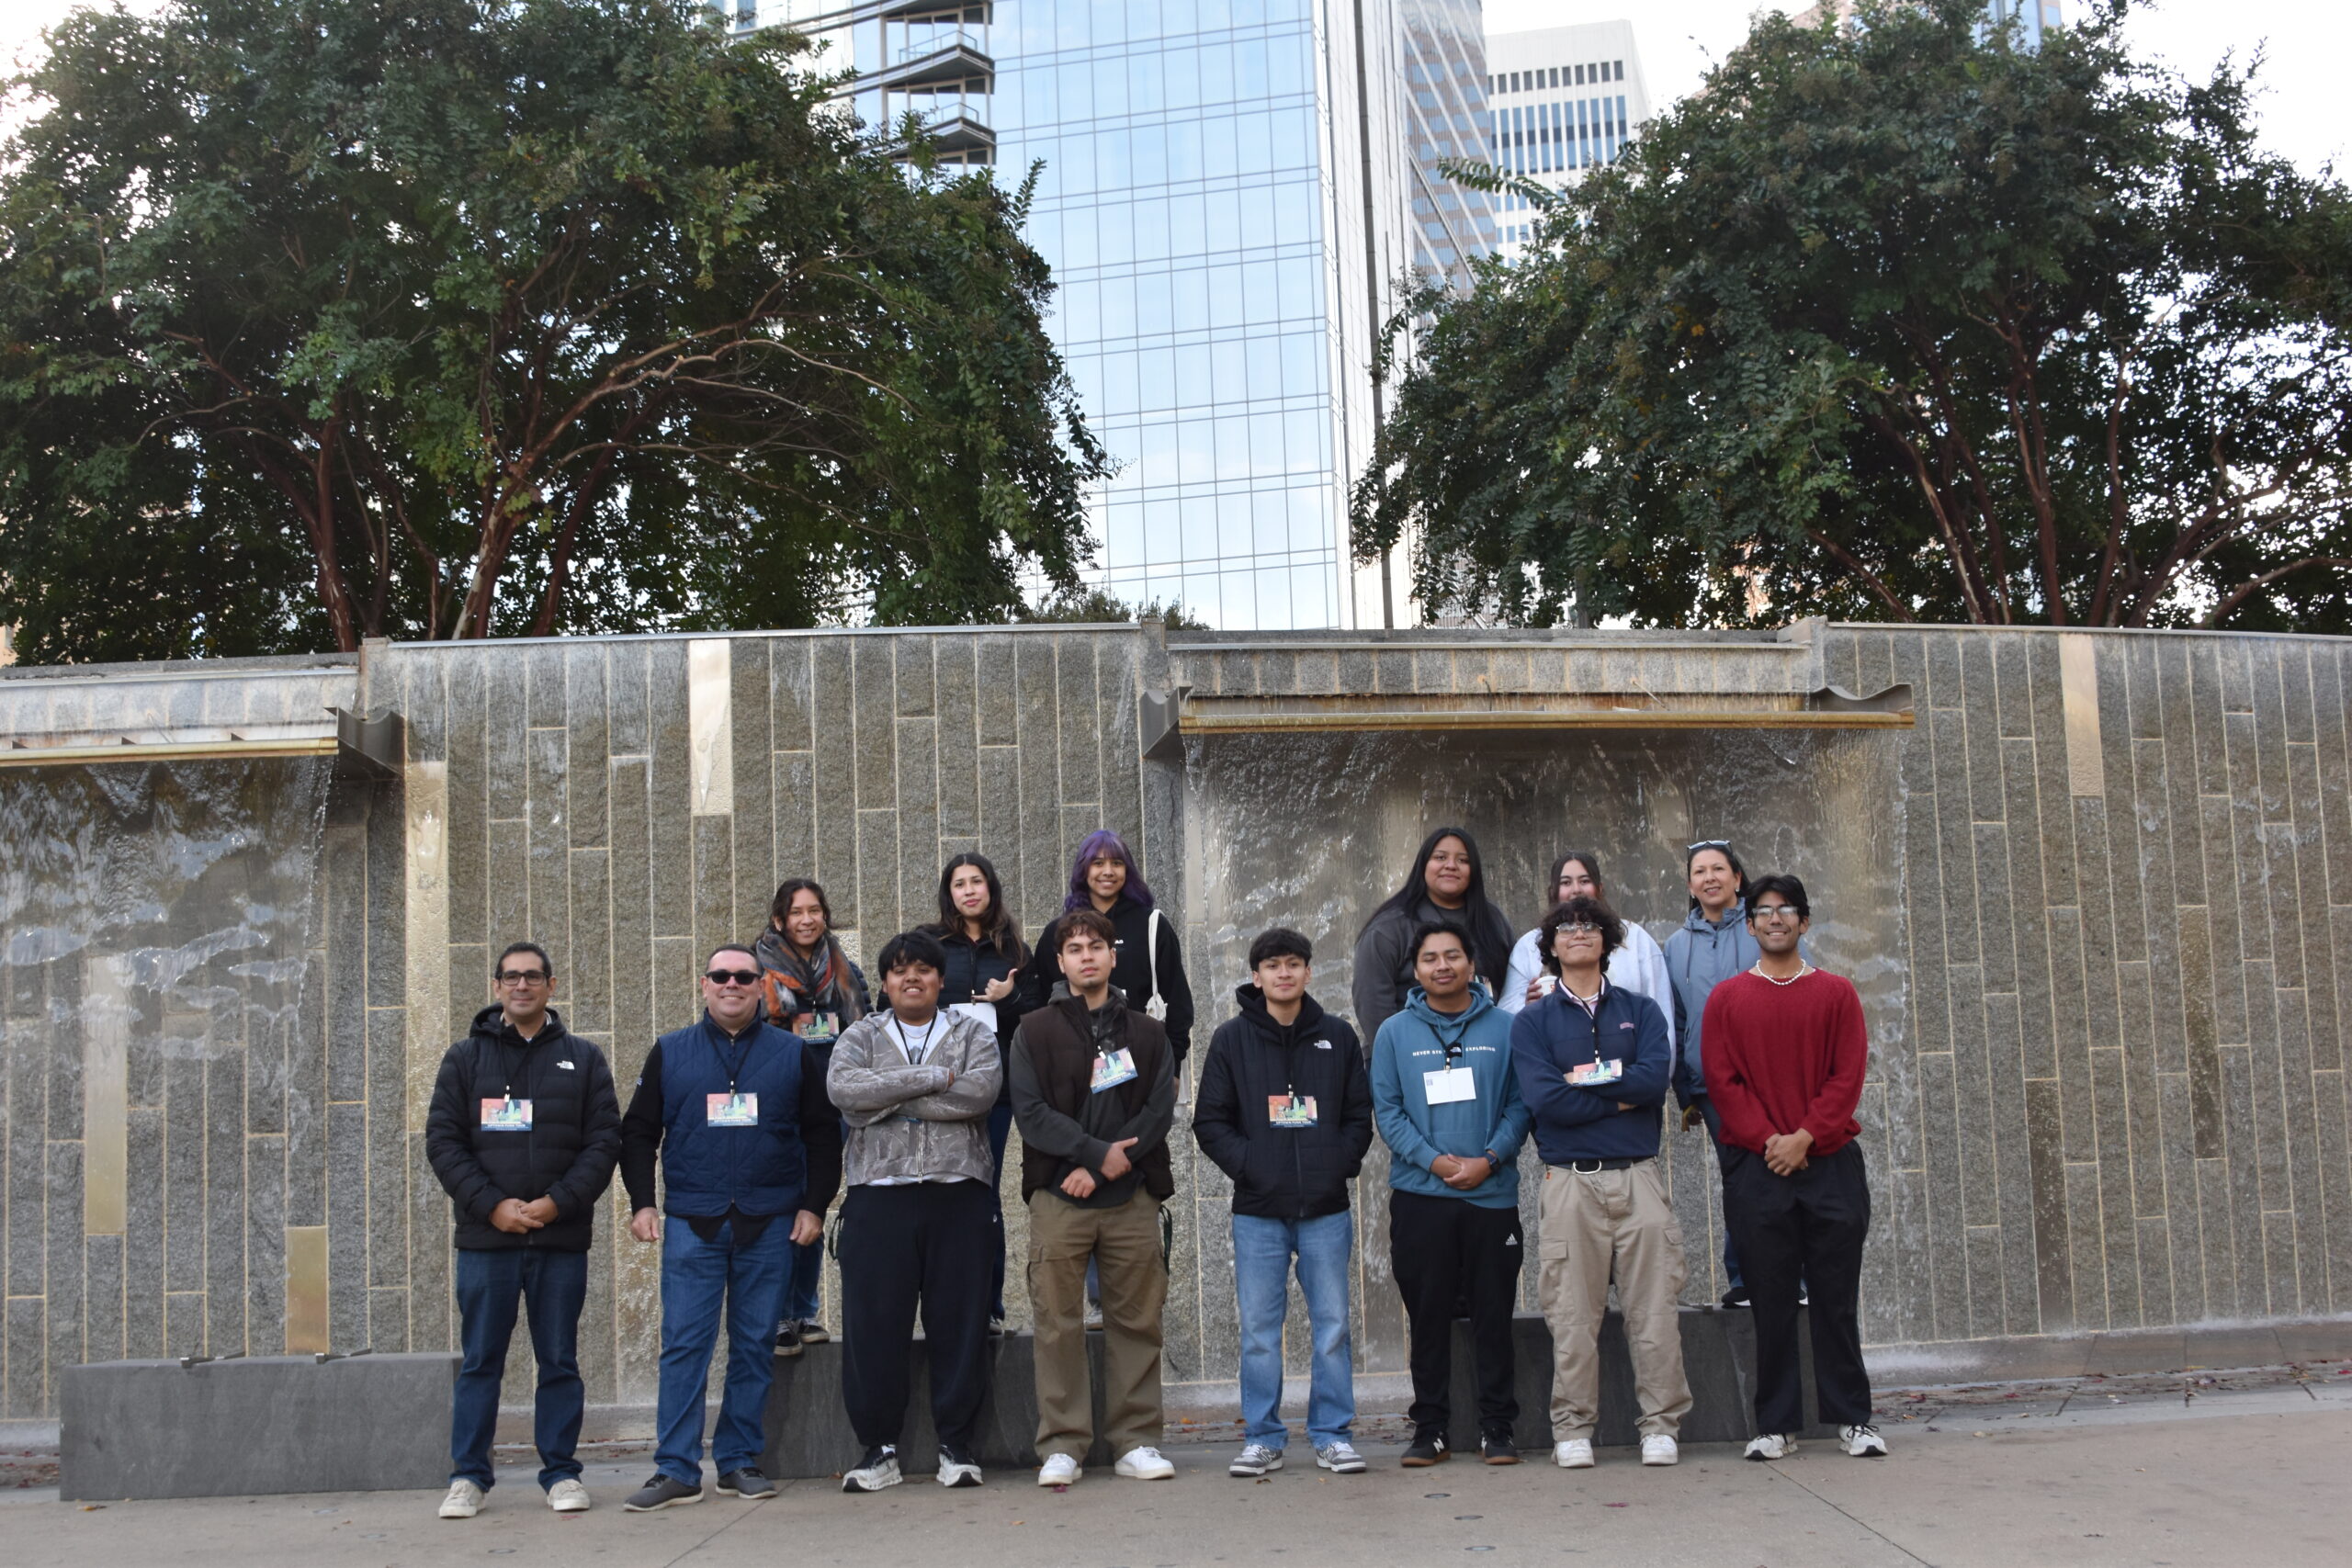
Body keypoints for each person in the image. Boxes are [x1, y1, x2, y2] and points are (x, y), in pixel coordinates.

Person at [617, 945, 842, 1511]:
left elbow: (822, 1135)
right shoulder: (671, 1051)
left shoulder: (793, 1054)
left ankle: (738, 1459)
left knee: (754, 1345)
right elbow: (638, 1132)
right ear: (705, 985)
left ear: (760, 986)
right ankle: (675, 1469)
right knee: (684, 1345)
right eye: (721, 975)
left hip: (770, 1223)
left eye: (744, 976)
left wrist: (814, 1207)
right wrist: (642, 1203)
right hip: (693, 1221)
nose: (732, 984)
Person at [424, 942, 621, 1519]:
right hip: (488, 1241)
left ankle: (561, 1474)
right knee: (481, 1361)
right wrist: (493, 1206)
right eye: (511, 977)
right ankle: (468, 1477)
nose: (521, 986)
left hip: (559, 1241)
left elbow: (603, 1142)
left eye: (533, 977)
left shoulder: (583, 1059)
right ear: (497, 987)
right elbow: (443, 1142)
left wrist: (558, 1204)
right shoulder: (465, 1058)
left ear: (551, 986)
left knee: (558, 1360)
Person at [1702, 874, 1885, 1462]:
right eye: (1763, 911)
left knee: (1836, 1298)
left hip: (1828, 1164)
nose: (1775, 918)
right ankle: (1775, 1425)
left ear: (1804, 922)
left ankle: (1853, 1418)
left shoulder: (1836, 993)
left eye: (1786, 910)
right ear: (1749, 925)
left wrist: (1804, 1137)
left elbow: (1846, 1076)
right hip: (1758, 1168)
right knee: (1771, 1301)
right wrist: (1770, 1141)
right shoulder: (1726, 999)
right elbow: (1722, 1082)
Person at [1508, 897, 1690, 1472]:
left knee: (1654, 1313)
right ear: (1551, 946)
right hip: (1569, 1183)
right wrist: (1618, 1099)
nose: (1579, 933)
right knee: (1571, 1315)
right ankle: (1572, 1428)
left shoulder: (1642, 1010)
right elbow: (1547, 1101)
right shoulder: (1532, 1022)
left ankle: (1660, 1426)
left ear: (1607, 941)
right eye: (1566, 927)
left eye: (1590, 926)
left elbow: (1653, 1081)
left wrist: (1585, 1089)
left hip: (1639, 1177)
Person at [826, 929, 1004, 1493]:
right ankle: (878, 1449)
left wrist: (886, 1098)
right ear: (884, 982)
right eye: (900, 970)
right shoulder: (859, 1035)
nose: (912, 978)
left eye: (923, 969)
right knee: (874, 1326)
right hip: (879, 1195)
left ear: (940, 979)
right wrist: (931, 1079)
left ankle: (957, 1445)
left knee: (961, 1322)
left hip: (959, 1194)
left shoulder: (973, 1033)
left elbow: (979, 1094)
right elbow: (844, 1092)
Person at [1193, 928, 1374, 1480]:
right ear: (1256, 977)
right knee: (1259, 1334)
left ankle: (1332, 1435)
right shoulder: (1231, 1040)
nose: (1284, 973)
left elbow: (1358, 1116)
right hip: (1258, 1213)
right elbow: (1210, 1122)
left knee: (1333, 1327)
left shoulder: (1337, 1037)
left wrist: (1335, 1164)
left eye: (1294, 963)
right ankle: (1262, 1438)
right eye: (1273, 966)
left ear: (1309, 972)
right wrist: (1254, 1167)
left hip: (1325, 1209)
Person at [1008, 908, 1180, 1486]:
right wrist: (1089, 1155)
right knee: (1058, 1323)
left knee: (1137, 1320)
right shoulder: (1033, 1030)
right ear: (1060, 962)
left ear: (1112, 956)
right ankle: (1063, 1444)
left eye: (1096, 947)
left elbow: (1158, 1110)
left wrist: (1105, 1167)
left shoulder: (1148, 1032)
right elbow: (1031, 1112)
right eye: (1075, 949)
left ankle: (1136, 1440)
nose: (1087, 957)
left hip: (1131, 1196)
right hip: (1059, 1197)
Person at [1368, 920, 1532, 1468]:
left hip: (1492, 1195)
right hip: (1421, 1197)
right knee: (1428, 1315)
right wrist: (1434, 1162)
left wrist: (1490, 1159)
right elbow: (1388, 1112)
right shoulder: (1393, 1033)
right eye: (1430, 958)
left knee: (1493, 1313)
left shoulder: (1506, 1028)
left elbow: (1520, 1105)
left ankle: (1498, 1427)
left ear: (1471, 965)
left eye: (1453, 956)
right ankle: (1430, 1428)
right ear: (1416, 971)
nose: (1443, 966)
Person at [1662, 840, 1804, 1309]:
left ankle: (1795, 1280)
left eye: (1719, 869)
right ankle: (1744, 1279)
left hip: (1773, 1078)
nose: (1710, 878)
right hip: (1712, 1086)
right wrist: (1685, 1091)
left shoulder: (1764, 925)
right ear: (1689, 885)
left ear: (1737, 878)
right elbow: (1676, 1021)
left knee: (1782, 1172)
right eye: (1699, 871)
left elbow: (1800, 986)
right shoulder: (1675, 946)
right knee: (1740, 1177)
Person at [752, 878, 868, 1354]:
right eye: (797, 912)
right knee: (781, 1206)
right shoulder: (753, 970)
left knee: (813, 1203)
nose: (807, 920)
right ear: (780, 919)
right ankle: (777, 1315)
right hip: (776, 1107)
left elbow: (866, 1030)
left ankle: (804, 1311)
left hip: (830, 1107)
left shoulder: (843, 969)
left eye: (814, 910)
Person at [922, 852, 1037, 1334]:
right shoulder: (928, 943)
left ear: (991, 887)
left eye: (976, 882)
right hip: (936, 1087)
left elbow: (1036, 1016)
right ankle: (940, 1309)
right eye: (959, 884)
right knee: (937, 1193)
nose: (969, 891)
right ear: (948, 893)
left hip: (996, 1089)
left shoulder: (1015, 949)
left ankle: (989, 1307)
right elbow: (897, 1001)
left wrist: (1008, 1000)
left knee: (984, 1194)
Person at [1034, 829, 1194, 1066]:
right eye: (1098, 863)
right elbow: (1042, 1002)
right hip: (1075, 1066)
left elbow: (1178, 1001)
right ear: (1084, 869)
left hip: (1145, 1062)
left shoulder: (1152, 925)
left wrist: (1173, 1066)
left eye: (1117, 863)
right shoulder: (1059, 931)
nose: (1108, 871)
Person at [1351, 827, 1515, 1044]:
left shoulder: (1493, 921)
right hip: (1409, 1051)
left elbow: (1511, 988)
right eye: (1440, 857)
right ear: (1423, 865)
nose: (1451, 865)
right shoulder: (1389, 928)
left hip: (1485, 1050)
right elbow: (1372, 1005)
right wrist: (1403, 1053)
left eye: (1463, 860)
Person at [1499, 852, 1672, 1043]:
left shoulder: (1635, 937)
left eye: (1584, 881)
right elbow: (1505, 1018)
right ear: (1553, 891)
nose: (1576, 890)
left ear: (1599, 888)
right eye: (1566, 883)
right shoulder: (1528, 945)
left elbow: (1662, 1013)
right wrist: (1527, 1007)